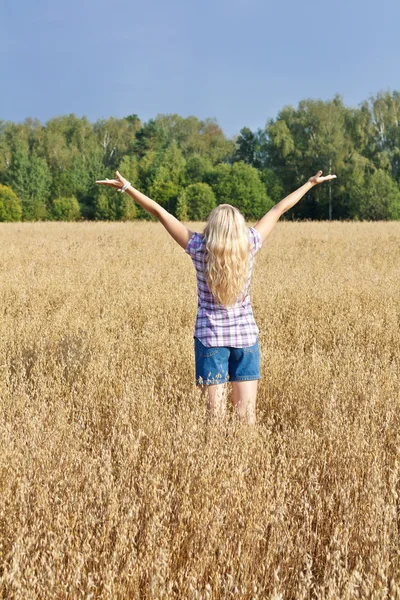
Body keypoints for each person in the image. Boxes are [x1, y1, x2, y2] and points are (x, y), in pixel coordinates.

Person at [96, 169, 336, 425]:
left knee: (215, 418)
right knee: (246, 416)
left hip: (210, 339)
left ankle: (219, 462)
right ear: (237, 227)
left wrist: (128, 187)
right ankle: (247, 461)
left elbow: (160, 213)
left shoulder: (199, 248)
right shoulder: (250, 244)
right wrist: (309, 184)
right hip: (245, 339)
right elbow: (278, 209)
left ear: (214, 226)